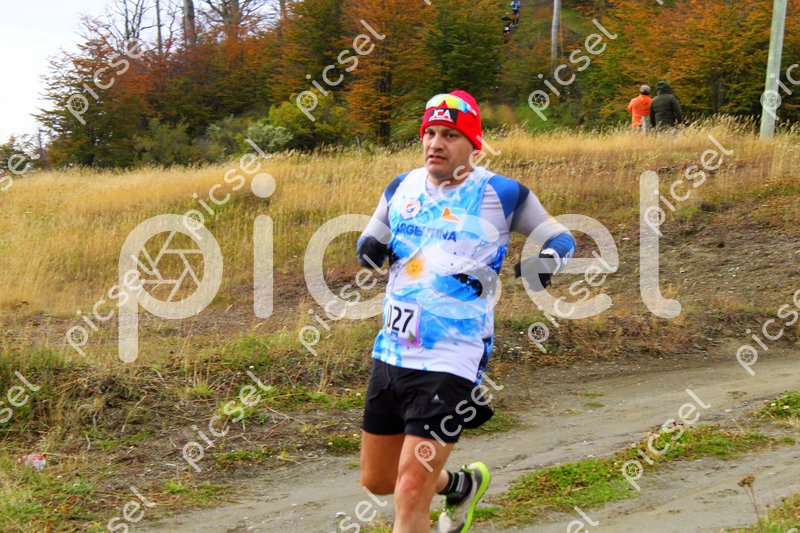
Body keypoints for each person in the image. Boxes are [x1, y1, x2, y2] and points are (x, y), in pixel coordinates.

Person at [356, 90, 576, 533]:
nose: (436, 144)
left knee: (410, 491)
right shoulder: (401, 187)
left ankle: (434, 493)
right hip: (392, 352)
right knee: (379, 480)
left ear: (473, 143)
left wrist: (546, 262)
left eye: (450, 135)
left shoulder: (500, 193)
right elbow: (370, 237)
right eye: (430, 133)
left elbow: (562, 238)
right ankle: (460, 486)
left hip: (451, 359)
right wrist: (369, 247)